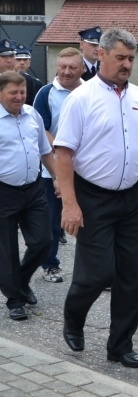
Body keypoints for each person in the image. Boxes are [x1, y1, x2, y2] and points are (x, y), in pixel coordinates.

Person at [55, 28, 138, 368]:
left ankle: (120, 346)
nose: (127, 64)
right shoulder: (82, 98)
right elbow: (63, 154)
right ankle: (74, 316)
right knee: (97, 274)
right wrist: (70, 204)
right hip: (93, 197)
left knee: (133, 276)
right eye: (120, 57)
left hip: (132, 197)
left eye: (131, 59)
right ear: (101, 55)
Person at [0, 71, 57, 321]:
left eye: (22, 92)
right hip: (4, 192)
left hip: (33, 189)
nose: (19, 97)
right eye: (13, 92)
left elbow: (45, 151)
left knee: (43, 241)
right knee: (7, 250)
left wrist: (57, 179)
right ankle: (14, 299)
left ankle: (21, 281)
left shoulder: (31, 114)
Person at [33, 47, 84, 284]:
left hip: (85, 170)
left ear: (82, 68)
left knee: (90, 220)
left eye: (72, 67)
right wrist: (63, 150)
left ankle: (91, 268)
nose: (66, 72)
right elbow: (41, 130)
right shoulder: (45, 93)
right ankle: (50, 265)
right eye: (62, 67)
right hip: (53, 168)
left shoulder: (90, 92)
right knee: (53, 221)